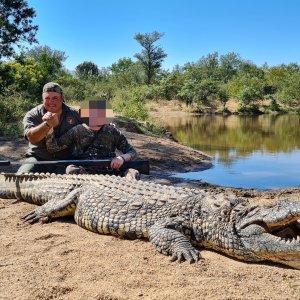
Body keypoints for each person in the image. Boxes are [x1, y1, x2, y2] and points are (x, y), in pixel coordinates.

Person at [44, 99, 139, 179]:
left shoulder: (113, 131)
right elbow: (53, 147)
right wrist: (49, 127)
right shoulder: (77, 130)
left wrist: (121, 158)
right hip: (84, 173)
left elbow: (132, 152)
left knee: (132, 173)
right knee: (71, 170)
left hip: (111, 172)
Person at [17, 82, 81, 174]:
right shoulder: (33, 114)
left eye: (55, 98)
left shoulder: (75, 113)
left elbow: (99, 123)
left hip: (67, 161)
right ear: (42, 99)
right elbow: (32, 138)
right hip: (38, 159)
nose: (51, 102)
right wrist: (47, 125)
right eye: (47, 98)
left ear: (62, 98)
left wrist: (108, 123)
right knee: (21, 176)